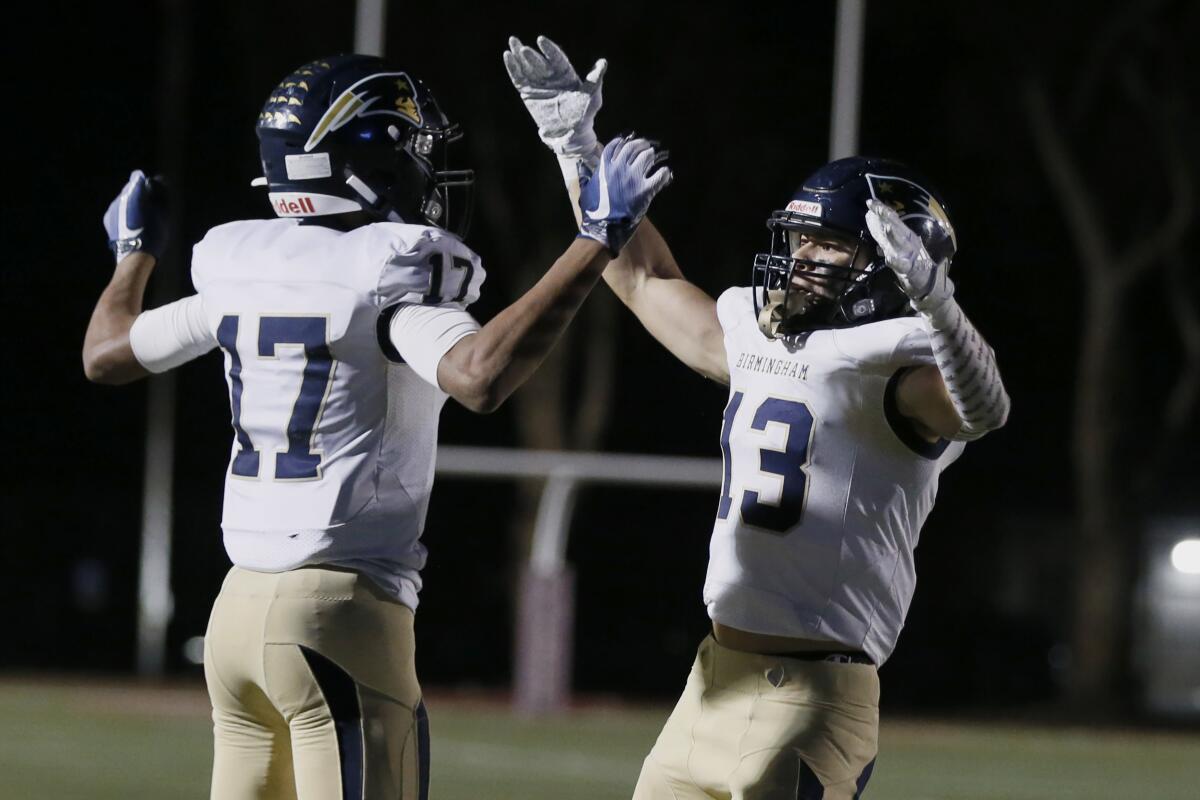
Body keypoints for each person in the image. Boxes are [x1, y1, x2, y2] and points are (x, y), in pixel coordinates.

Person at [83, 54, 670, 800]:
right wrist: (595, 239)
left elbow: (106, 355)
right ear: (373, 157)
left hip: (235, 616)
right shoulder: (383, 271)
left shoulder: (242, 267)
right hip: (338, 617)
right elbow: (480, 375)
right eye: (417, 150)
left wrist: (132, 256)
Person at [505, 36, 1009, 799]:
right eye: (801, 238)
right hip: (711, 681)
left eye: (829, 245)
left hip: (814, 697)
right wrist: (574, 141)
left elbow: (985, 411)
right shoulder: (760, 331)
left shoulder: (905, 361)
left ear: (898, 261)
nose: (802, 258)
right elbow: (640, 276)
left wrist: (940, 305)